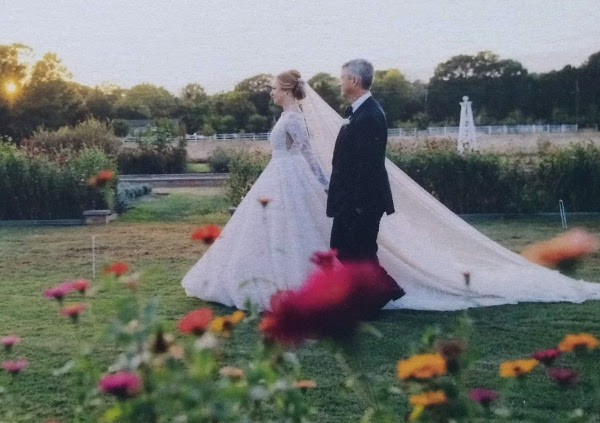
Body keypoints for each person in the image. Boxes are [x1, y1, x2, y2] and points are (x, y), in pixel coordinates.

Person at [183, 62, 600, 311]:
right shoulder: (353, 113)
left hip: (349, 197)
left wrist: (328, 185)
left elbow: (320, 157)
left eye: (274, 87)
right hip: (296, 184)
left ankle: (380, 293)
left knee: (350, 250)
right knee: (341, 248)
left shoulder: (343, 117)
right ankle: (360, 294)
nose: (270, 92)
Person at [327, 59, 405, 305]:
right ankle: (375, 294)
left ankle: (381, 293)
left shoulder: (370, 114)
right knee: (346, 249)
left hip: (363, 200)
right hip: (351, 197)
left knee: (359, 251)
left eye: (342, 78)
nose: (340, 83)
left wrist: (358, 204)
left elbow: (368, 164)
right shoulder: (357, 111)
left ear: (354, 81)